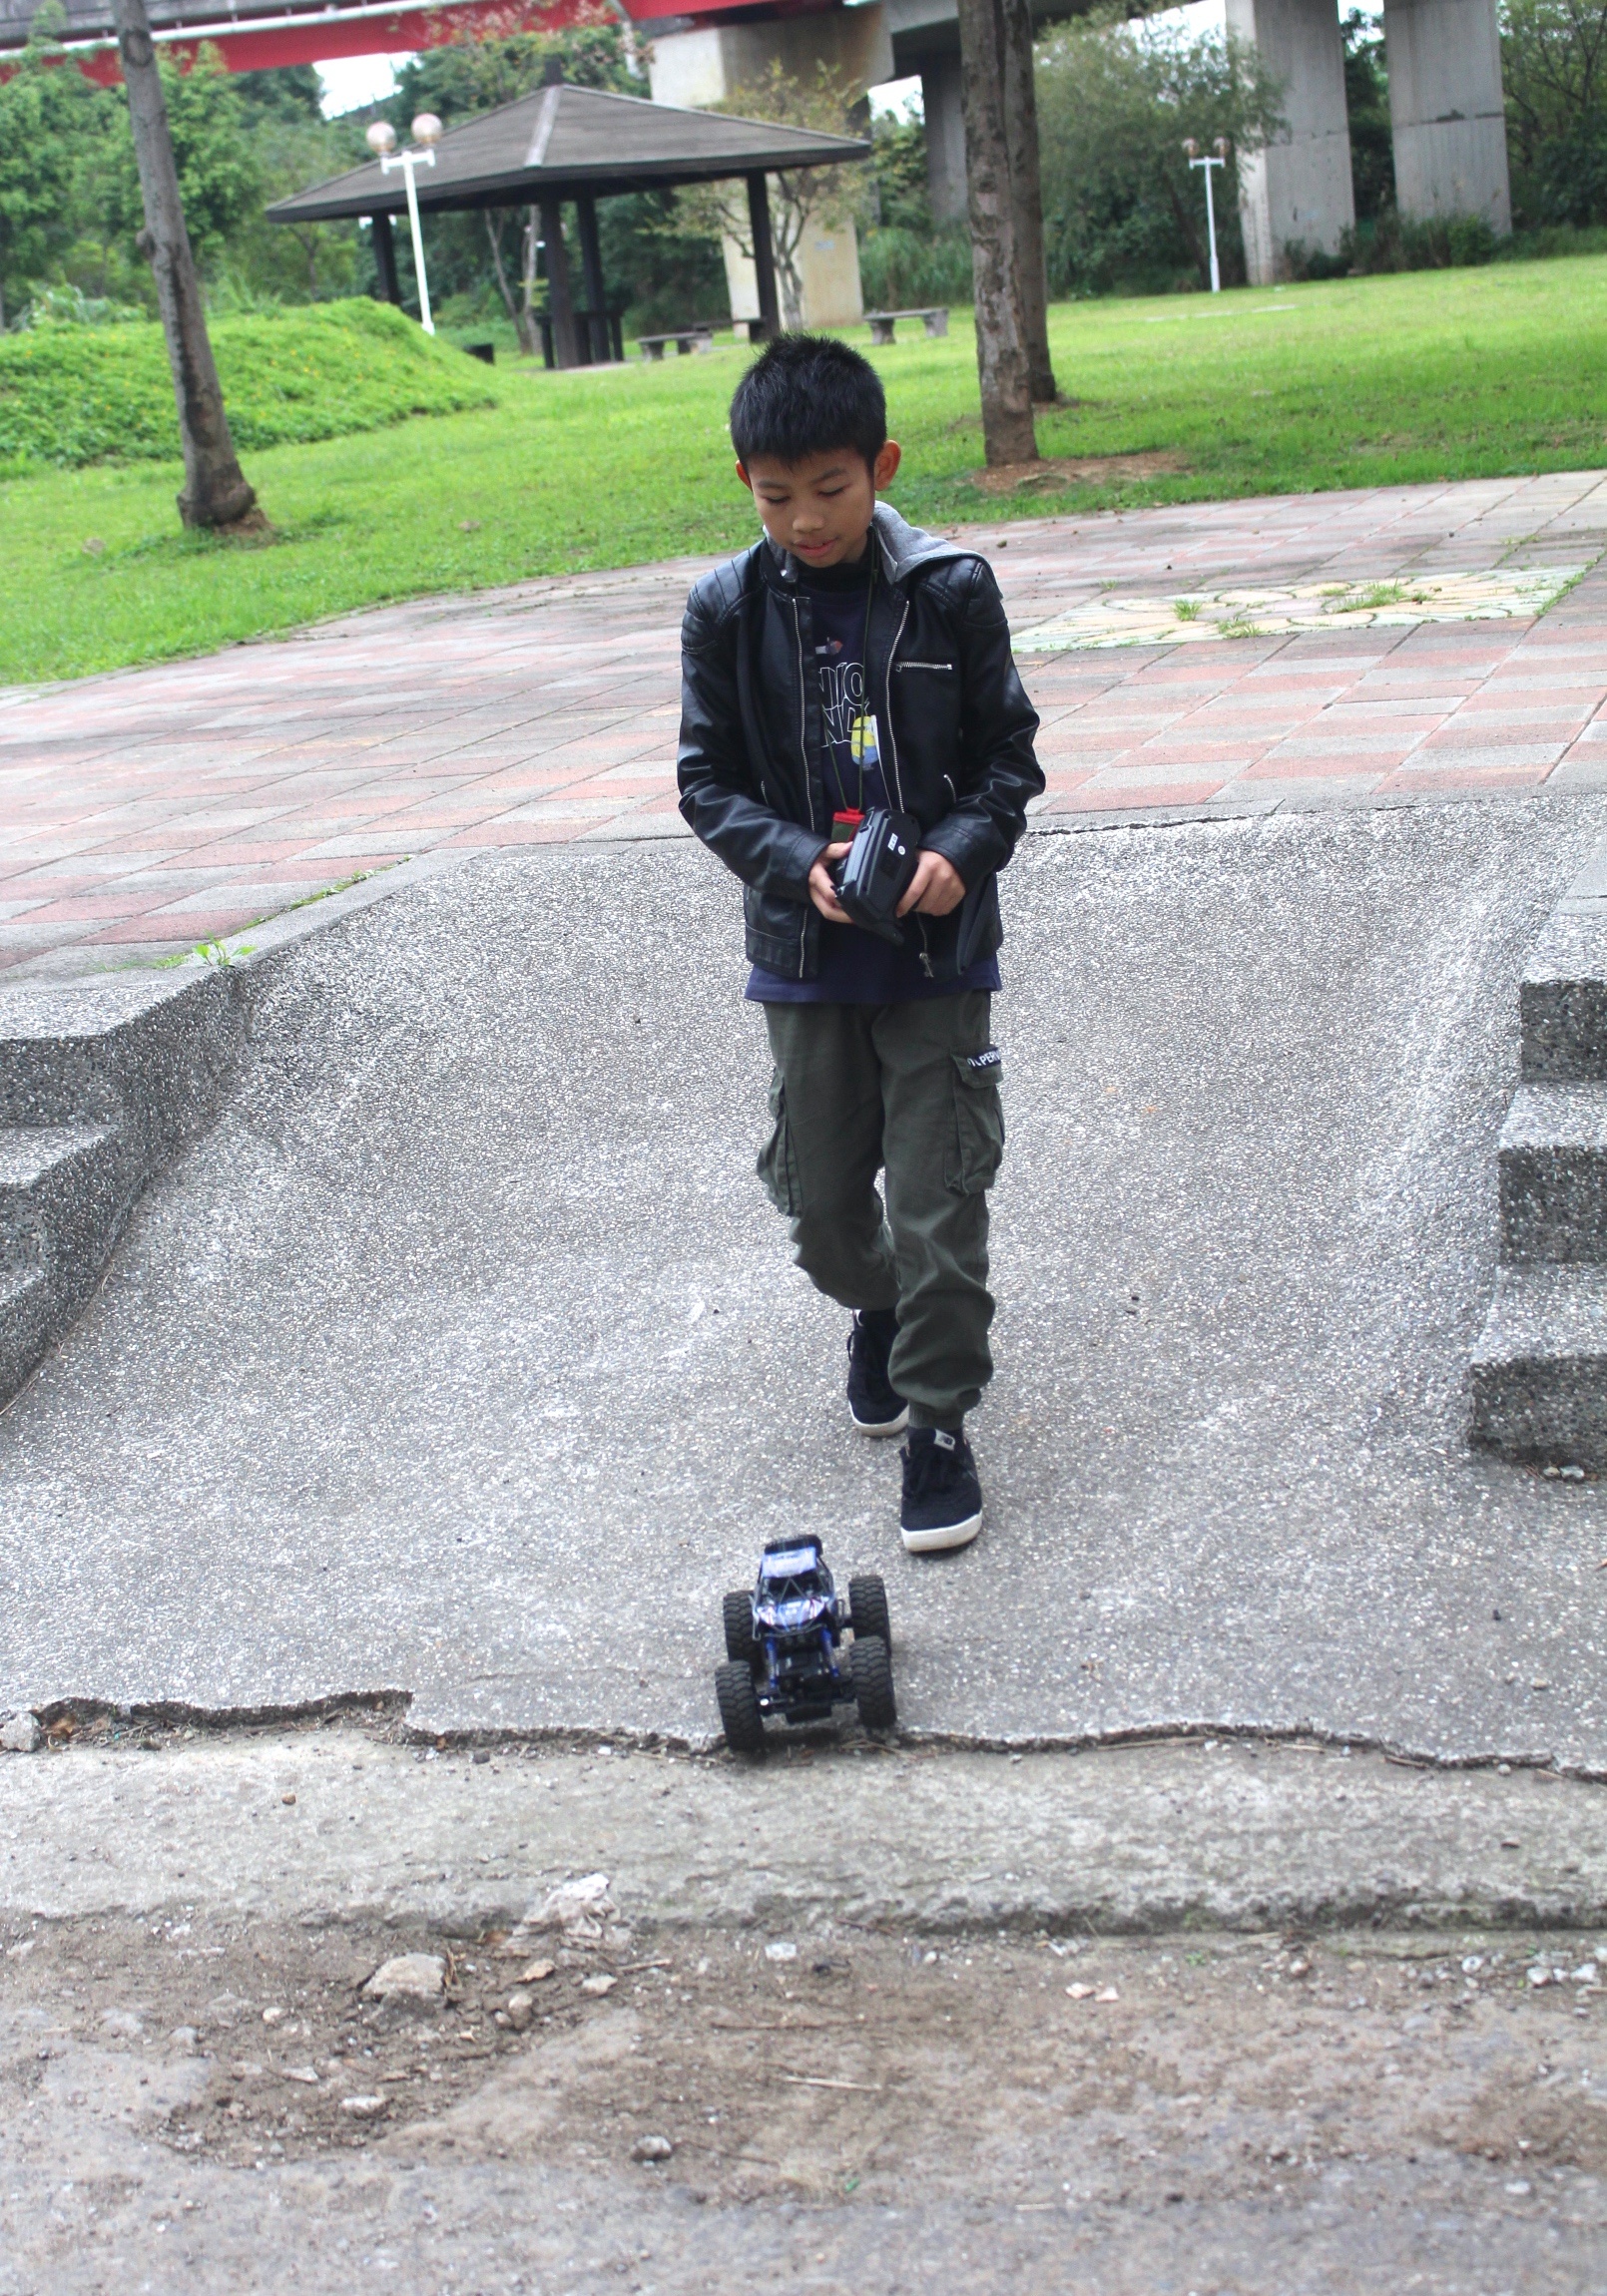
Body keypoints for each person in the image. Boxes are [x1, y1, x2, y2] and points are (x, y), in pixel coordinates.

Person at [677, 334, 1043, 1554]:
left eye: (830, 490)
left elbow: (1008, 760)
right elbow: (705, 783)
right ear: (745, 483)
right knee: (826, 1212)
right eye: (776, 497)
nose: (806, 519)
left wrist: (957, 851)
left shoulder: (950, 589)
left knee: (937, 1200)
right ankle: (874, 1306)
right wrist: (798, 863)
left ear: (879, 465)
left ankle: (939, 1422)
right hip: (806, 953)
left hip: (937, 956)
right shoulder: (725, 609)